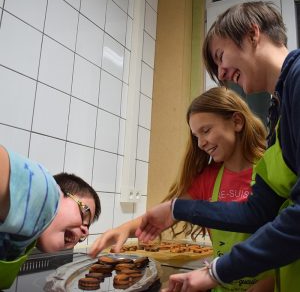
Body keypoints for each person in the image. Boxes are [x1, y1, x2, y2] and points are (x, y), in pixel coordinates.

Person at [135, 1, 300, 292]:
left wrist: (216, 272)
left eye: (221, 56)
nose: (222, 74)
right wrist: (176, 208)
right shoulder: (279, 110)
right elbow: (256, 212)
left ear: (252, 34)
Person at [89, 87, 274, 291]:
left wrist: (267, 284)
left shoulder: (271, 167)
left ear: (237, 122)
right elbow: (165, 213)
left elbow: (289, 237)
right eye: (196, 136)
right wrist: (123, 229)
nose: (201, 143)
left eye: (206, 130)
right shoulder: (208, 179)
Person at [0, 145, 101, 289]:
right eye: (85, 213)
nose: (85, 232)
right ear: (62, 193)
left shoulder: (25, 237)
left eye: (87, 226)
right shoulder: (46, 192)